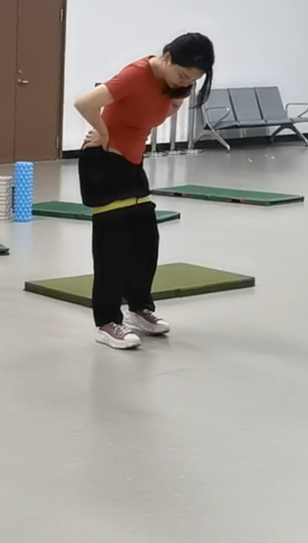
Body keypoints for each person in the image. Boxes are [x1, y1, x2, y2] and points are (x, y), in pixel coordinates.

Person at [71, 34, 214, 350]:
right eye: (182, 74)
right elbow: (84, 102)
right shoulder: (136, 74)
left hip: (133, 164)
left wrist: (175, 97)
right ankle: (107, 322)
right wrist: (103, 132)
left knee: (145, 240)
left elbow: (152, 110)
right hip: (103, 162)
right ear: (167, 57)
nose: (185, 83)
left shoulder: (176, 86)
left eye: (192, 80)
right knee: (113, 246)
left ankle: (138, 308)